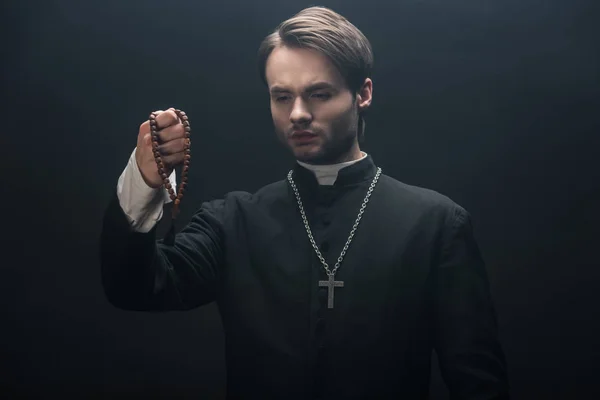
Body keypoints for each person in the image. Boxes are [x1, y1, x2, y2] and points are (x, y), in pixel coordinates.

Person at [99, 6, 509, 399]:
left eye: (318, 94)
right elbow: (135, 289)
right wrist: (145, 178)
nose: (297, 114)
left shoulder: (436, 224)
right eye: (282, 97)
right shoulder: (232, 221)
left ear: (362, 93)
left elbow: (478, 383)